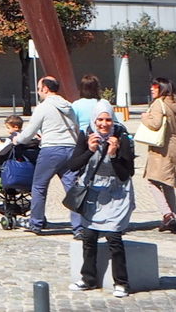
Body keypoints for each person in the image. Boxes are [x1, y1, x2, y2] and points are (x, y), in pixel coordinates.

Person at [66, 104, 135, 297]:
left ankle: (121, 283)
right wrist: (89, 150)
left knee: (114, 238)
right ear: (94, 120)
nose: (104, 124)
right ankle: (88, 279)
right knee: (88, 237)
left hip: (116, 192)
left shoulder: (122, 137)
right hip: (93, 192)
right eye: (100, 120)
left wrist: (113, 155)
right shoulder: (86, 134)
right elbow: (73, 165)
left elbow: (127, 173)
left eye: (108, 120)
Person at [8, 75, 80, 234]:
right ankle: (79, 227)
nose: (38, 92)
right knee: (72, 188)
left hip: (51, 150)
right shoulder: (69, 106)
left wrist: (17, 140)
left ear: (45, 89)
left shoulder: (43, 107)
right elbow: (76, 127)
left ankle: (36, 223)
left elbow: (28, 133)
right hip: (71, 149)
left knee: (39, 186)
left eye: (39, 88)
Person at [141, 76, 176, 234]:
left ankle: (168, 215)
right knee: (168, 183)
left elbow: (155, 124)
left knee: (152, 181)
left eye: (155, 86)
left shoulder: (158, 104)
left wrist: (144, 118)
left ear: (162, 88)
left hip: (162, 147)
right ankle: (173, 219)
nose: (151, 89)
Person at [65, 74, 105, 241]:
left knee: (80, 182)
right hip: (101, 143)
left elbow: (71, 124)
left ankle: (79, 225)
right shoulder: (101, 104)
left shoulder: (76, 105)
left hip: (82, 143)